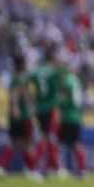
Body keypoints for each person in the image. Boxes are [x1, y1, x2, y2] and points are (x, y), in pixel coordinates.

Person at [0, 53, 43, 182]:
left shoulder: (13, 78)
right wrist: (18, 107)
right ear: (21, 65)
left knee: (14, 142)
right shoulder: (20, 79)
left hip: (15, 116)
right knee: (28, 144)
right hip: (22, 115)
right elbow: (17, 94)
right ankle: (33, 170)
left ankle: (1, 166)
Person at [29, 46, 61, 177]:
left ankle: (51, 167)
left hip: (39, 108)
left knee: (47, 137)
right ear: (52, 59)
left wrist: (33, 102)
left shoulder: (36, 72)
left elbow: (27, 85)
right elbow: (57, 91)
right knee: (47, 137)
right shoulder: (53, 73)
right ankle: (36, 168)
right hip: (50, 108)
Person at [55, 64, 88, 179]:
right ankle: (82, 169)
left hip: (68, 116)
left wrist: (59, 105)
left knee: (60, 144)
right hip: (76, 116)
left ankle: (58, 167)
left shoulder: (67, 81)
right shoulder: (76, 81)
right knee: (75, 143)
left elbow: (66, 98)